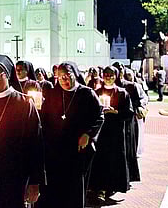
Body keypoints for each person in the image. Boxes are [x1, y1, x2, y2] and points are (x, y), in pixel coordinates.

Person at [0, 54, 45, 208]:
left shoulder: (24, 103)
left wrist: (35, 182)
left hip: (14, 176)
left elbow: (36, 145)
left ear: (8, 74)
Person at [37, 61, 104, 208]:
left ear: (75, 74)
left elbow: (99, 116)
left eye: (68, 75)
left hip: (76, 148)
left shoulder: (87, 93)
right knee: (53, 187)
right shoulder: (53, 93)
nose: (64, 80)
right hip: (54, 149)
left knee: (73, 187)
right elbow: (44, 118)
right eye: (60, 77)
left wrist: (88, 134)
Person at [88, 66, 133, 204]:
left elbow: (129, 113)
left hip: (115, 133)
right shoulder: (96, 92)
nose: (108, 77)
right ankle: (97, 188)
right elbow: (90, 111)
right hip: (100, 133)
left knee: (112, 161)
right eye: (106, 74)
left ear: (116, 76)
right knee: (99, 160)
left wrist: (116, 112)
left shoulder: (122, 93)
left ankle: (109, 188)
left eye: (111, 75)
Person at [112, 61, 146, 183]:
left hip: (128, 122)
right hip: (113, 123)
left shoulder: (131, 86)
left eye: (121, 69)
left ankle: (128, 176)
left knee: (128, 149)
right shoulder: (107, 86)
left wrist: (141, 107)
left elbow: (140, 100)